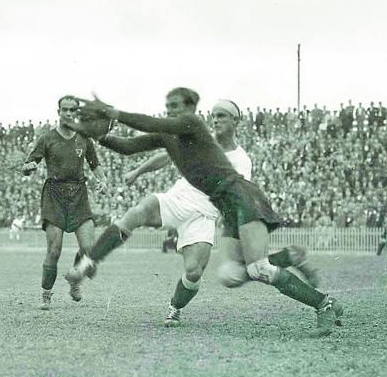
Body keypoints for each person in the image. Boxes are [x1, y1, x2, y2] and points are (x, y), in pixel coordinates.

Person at [65, 88, 344, 338]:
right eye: (168, 104)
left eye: (176, 105)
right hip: (223, 204)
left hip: (239, 199)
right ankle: (90, 261)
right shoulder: (174, 135)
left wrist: (114, 113)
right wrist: (97, 134)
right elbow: (127, 147)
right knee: (232, 275)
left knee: (258, 268)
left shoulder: (193, 124)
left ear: (190, 109)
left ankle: (323, 303)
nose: (171, 109)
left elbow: (152, 123)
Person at [120, 99, 320, 327]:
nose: (215, 120)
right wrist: (137, 171)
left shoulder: (241, 161)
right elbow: (167, 155)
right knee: (236, 274)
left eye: (222, 115)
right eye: (214, 116)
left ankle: (175, 307)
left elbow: (240, 196)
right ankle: (286, 258)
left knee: (220, 273)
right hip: (181, 203)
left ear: (236, 121)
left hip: (209, 215)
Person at [21, 95, 106, 310]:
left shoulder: (84, 138)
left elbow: (95, 164)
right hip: (54, 195)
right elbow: (30, 163)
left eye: (72, 110)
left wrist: (102, 180)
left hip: (78, 194)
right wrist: (29, 167)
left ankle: (75, 279)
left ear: (77, 113)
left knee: (89, 248)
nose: (68, 113)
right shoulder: (47, 138)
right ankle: (46, 294)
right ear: (58, 111)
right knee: (54, 250)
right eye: (65, 109)